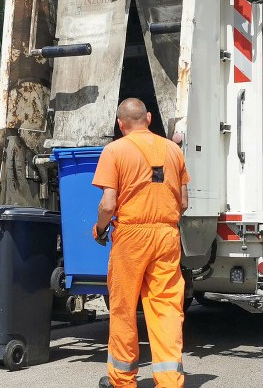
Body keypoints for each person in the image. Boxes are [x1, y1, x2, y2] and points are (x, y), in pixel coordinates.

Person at [92, 98, 189, 388]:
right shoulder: (173, 150)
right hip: (167, 234)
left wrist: (100, 228)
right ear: (148, 118)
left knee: (123, 307)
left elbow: (108, 204)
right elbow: (183, 202)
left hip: (132, 235)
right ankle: (170, 380)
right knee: (167, 306)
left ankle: (123, 379)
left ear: (121, 125)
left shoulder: (115, 150)